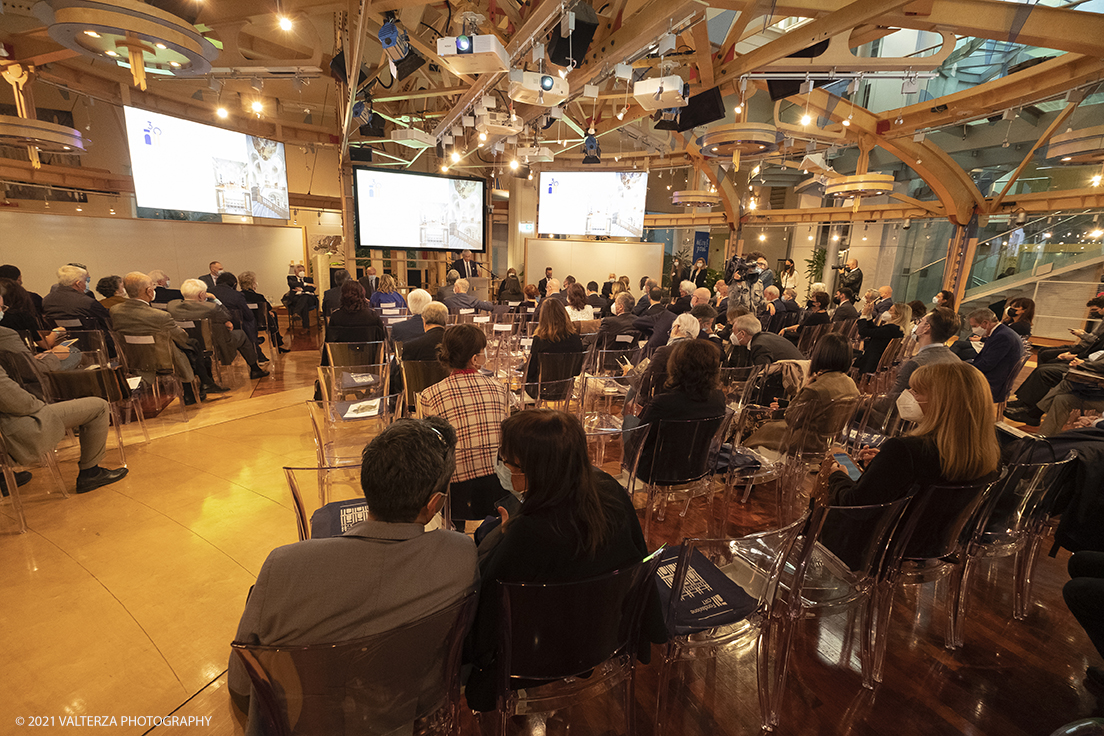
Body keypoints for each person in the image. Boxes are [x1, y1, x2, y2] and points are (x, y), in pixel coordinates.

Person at [227, 415, 478, 723]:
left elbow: (241, 684)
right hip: (410, 720)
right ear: (435, 504)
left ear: (366, 481)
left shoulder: (283, 566)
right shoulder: (460, 556)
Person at [466, 409, 663, 711]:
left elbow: (487, 613)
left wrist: (501, 538)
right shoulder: (610, 492)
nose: (502, 466)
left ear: (534, 470)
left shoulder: (529, 533)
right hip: (606, 636)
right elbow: (637, 560)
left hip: (534, 655)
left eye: (507, 461)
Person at [821, 362, 1001, 568]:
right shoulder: (988, 456)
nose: (907, 394)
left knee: (837, 464)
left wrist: (838, 476)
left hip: (872, 550)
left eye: (916, 391)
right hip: (931, 549)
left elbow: (856, 506)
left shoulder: (904, 450)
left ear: (942, 403)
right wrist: (884, 465)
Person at [419, 324, 509, 519]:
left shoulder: (429, 395)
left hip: (455, 494)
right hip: (500, 487)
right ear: (475, 359)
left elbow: (431, 450)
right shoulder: (499, 388)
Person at [0, 359, 128, 494]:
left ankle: (2, 477)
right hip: (13, 430)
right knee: (99, 406)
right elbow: (17, 402)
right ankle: (91, 473)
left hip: (8, 425)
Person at [110, 272, 222, 403]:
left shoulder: (115, 311)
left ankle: (202, 385)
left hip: (133, 359)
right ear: (149, 291)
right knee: (190, 345)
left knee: (187, 346)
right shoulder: (159, 316)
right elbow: (182, 338)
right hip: (162, 361)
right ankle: (196, 387)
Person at [744, 333, 860, 455]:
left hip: (804, 443)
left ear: (821, 354)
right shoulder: (851, 384)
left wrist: (805, 387)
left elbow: (791, 417)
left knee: (754, 420)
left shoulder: (815, 388)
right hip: (827, 442)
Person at [1006, 298, 1104, 426]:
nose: (1093, 313)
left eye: (1095, 310)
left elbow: (1096, 348)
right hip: (1088, 359)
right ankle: (1026, 403)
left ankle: (1031, 410)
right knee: (1045, 361)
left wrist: (1081, 360)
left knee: (1047, 372)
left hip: (1091, 368)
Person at [169, 279, 268, 380]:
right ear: (201, 294)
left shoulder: (172, 306)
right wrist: (214, 299)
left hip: (187, 343)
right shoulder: (211, 308)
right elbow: (228, 316)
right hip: (214, 343)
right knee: (241, 334)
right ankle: (255, 369)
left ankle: (208, 376)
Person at [638, 336, 725, 426]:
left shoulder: (662, 403)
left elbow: (638, 438)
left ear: (676, 366)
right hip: (702, 440)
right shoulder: (718, 399)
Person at [886, 307, 961, 399]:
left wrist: (864, 404)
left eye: (920, 321)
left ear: (926, 328)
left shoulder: (916, 364)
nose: (917, 325)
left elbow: (889, 405)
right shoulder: (956, 360)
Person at [635, 312, 703, 406]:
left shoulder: (664, 351)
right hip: (694, 407)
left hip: (664, 407)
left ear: (677, 328)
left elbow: (645, 383)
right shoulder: (703, 354)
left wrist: (632, 373)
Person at [963, 308, 1023, 403]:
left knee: (953, 382)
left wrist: (963, 368)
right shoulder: (1001, 332)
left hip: (994, 383)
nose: (973, 330)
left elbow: (986, 365)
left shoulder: (1002, 336)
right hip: (996, 375)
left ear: (985, 323)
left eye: (974, 326)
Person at [525, 298, 584, 388]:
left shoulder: (540, 340)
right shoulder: (576, 339)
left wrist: (526, 362)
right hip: (568, 389)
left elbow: (531, 373)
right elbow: (577, 370)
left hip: (542, 390)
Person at [42, 264, 113, 333]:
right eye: (86, 281)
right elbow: (108, 323)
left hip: (60, 341)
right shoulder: (87, 302)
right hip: (91, 342)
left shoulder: (46, 300)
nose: (87, 285)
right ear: (78, 284)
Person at [212, 272, 262, 360]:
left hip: (212, 330)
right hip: (234, 328)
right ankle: (255, 350)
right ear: (234, 284)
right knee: (249, 321)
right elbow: (249, 316)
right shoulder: (236, 295)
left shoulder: (208, 293)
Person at [239, 271, 288, 354]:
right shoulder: (258, 297)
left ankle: (278, 341)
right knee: (272, 315)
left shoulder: (239, 296)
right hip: (260, 323)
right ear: (253, 284)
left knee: (271, 315)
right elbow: (268, 307)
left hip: (244, 323)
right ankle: (277, 341)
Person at [854, 302, 910, 375]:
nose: (887, 312)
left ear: (897, 315)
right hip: (873, 358)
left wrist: (863, 315)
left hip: (870, 362)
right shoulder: (896, 329)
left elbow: (863, 331)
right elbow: (875, 330)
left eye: (890, 310)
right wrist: (869, 315)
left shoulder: (890, 329)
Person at [728, 313, 803, 367]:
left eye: (733, 331)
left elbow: (762, 376)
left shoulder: (759, 346)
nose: (732, 334)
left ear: (742, 334)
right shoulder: (766, 336)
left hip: (795, 380)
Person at [325, 280, 386, 346]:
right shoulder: (372, 316)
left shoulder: (335, 317)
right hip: (368, 355)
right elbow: (381, 344)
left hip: (343, 355)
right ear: (362, 295)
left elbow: (329, 345)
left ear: (342, 295)